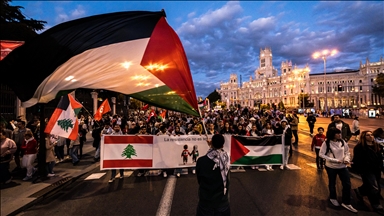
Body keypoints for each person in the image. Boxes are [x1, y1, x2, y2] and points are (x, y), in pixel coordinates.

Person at [319, 127, 357, 213]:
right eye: (338, 133)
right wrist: (335, 160)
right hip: (331, 167)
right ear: (332, 134)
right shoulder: (327, 143)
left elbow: (347, 152)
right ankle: (333, 198)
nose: (340, 135)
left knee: (347, 184)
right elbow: (321, 154)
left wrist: (347, 159)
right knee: (332, 183)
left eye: (340, 133)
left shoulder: (342, 141)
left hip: (343, 166)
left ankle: (346, 202)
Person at [196, 134, 230, 216]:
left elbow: (199, 180)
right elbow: (218, 153)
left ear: (212, 143)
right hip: (222, 202)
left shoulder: (201, 161)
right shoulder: (226, 158)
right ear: (222, 145)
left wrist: (211, 145)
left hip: (206, 202)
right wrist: (212, 145)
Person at [352, 130, 384, 214]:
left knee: (369, 184)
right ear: (364, 137)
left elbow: (380, 157)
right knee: (374, 187)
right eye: (368, 135)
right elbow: (357, 160)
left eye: (372, 135)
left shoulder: (376, 145)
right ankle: (376, 204)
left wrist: (380, 166)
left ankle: (360, 191)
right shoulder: (360, 147)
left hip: (376, 169)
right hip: (367, 170)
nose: (371, 136)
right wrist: (360, 169)